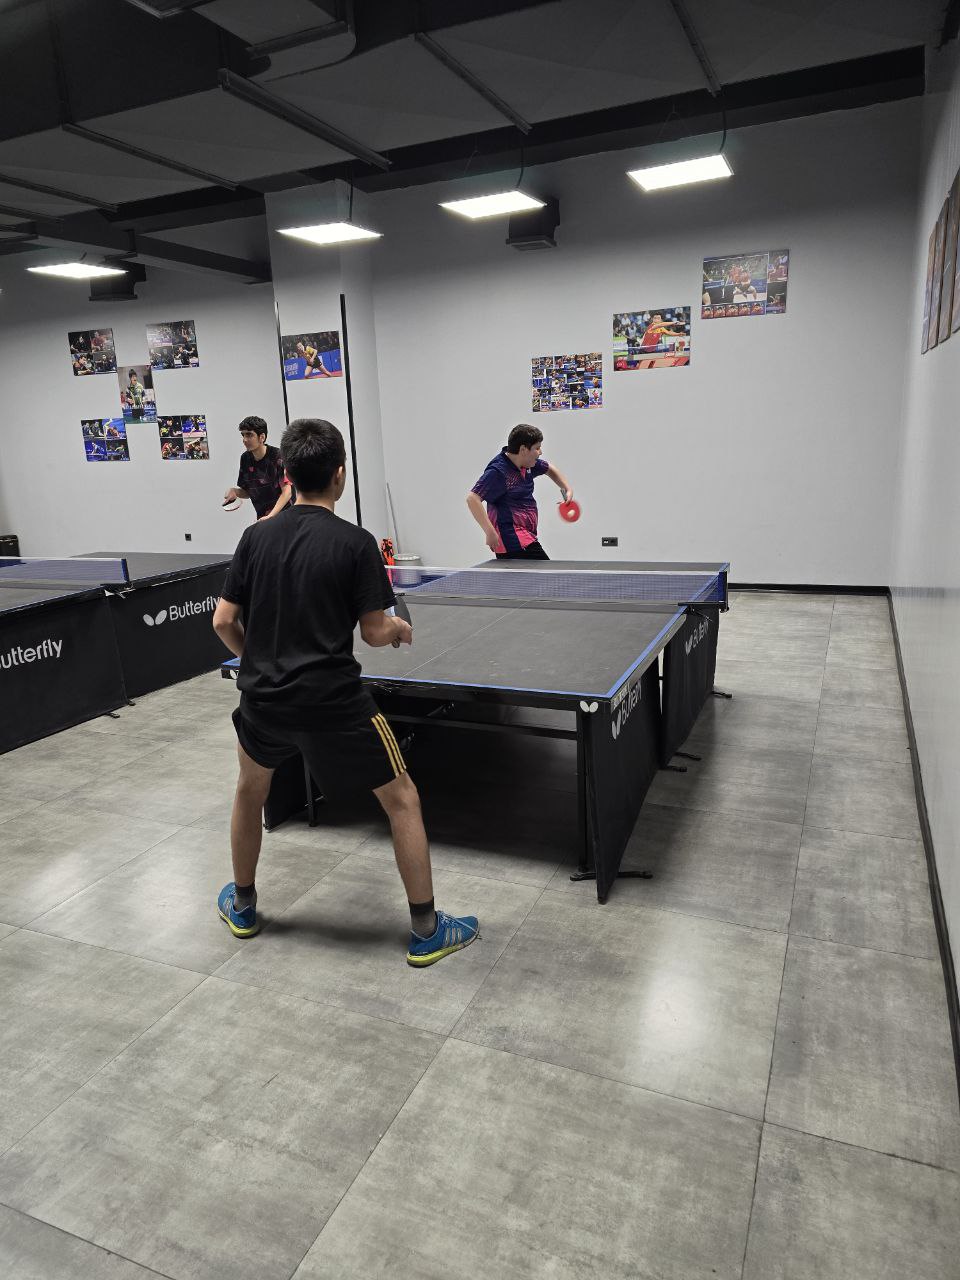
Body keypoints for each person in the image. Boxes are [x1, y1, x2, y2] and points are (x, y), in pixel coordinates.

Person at [212, 417, 478, 967]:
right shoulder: (356, 543)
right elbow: (375, 633)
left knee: (249, 793)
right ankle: (427, 930)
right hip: (334, 704)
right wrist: (399, 628)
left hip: (263, 703)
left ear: (287, 475)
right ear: (340, 474)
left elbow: (222, 621)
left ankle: (242, 906)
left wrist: (255, 663)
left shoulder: (255, 537)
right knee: (402, 800)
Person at [466, 423, 573, 559]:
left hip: (525, 536)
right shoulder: (498, 471)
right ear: (523, 449)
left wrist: (566, 489)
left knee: (535, 573)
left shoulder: (526, 464)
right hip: (512, 538)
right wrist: (489, 531)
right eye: (537, 448)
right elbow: (472, 498)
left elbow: (548, 468)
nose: (540, 452)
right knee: (546, 571)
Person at [224, 416, 292, 520]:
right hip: (264, 518)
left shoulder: (278, 456)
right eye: (243, 435)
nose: (244, 439)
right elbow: (248, 492)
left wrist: (270, 516)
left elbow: (287, 492)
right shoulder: (245, 458)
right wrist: (234, 491)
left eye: (249, 435)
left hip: (286, 517)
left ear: (262, 437)